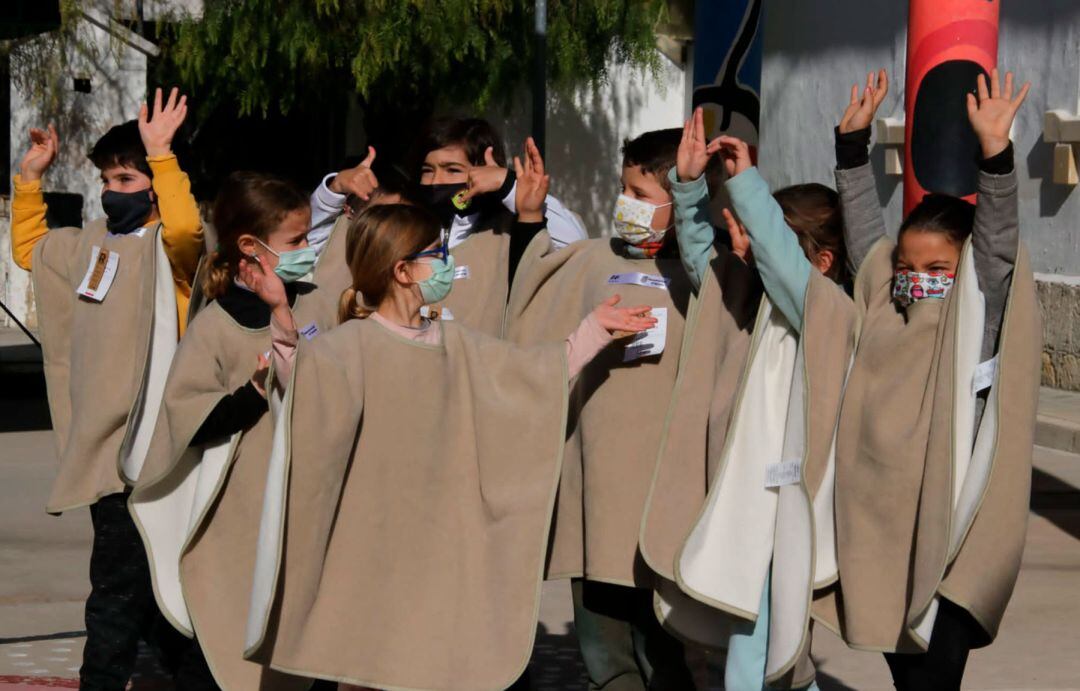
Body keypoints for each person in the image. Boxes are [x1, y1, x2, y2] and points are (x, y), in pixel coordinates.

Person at [243, 167, 655, 688]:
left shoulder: (454, 341)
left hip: (443, 540)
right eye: (435, 255)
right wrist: (281, 318)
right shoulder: (351, 346)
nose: (447, 263)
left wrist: (594, 330)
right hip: (375, 542)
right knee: (371, 664)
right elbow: (303, 392)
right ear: (402, 271)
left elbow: (531, 376)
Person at [507, 127, 760, 690]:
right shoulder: (591, 260)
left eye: (642, 196)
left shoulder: (713, 274)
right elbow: (525, 309)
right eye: (623, 190)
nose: (627, 204)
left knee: (666, 652)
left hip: (668, 496)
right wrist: (527, 223)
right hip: (596, 494)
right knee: (604, 651)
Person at [818, 68, 1041, 691]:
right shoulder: (887, 306)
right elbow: (866, 240)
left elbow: (995, 244)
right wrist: (850, 151)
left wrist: (995, 155)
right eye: (908, 266)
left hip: (955, 539)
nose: (919, 278)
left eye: (937, 266)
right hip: (890, 535)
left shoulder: (975, 312)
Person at [9, 88, 204, 690]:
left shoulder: (173, 251)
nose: (111, 190)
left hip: (155, 451)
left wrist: (161, 156)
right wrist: (29, 181)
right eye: (106, 179)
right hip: (107, 455)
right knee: (141, 590)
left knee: (127, 592)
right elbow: (30, 252)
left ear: (152, 185)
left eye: (125, 178)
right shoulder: (94, 241)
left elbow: (187, 232)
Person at [657, 107, 856, 691]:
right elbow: (702, 261)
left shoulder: (824, 311)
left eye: (764, 237)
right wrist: (690, 186)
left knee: (761, 654)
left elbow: (787, 271)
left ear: (820, 261)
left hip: (785, 512)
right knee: (766, 656)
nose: (746, 246)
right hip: (747, 505)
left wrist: (747, 184)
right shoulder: (756, 300)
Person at [129, 172, 319, 691]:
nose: (309, 249)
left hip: (306, 508)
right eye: (297, 241)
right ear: (250, 249)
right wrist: (252, 394)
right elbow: (185, 418)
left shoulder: (314, 305)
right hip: (238, 514)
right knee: (224, 643)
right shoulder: (217, 325)